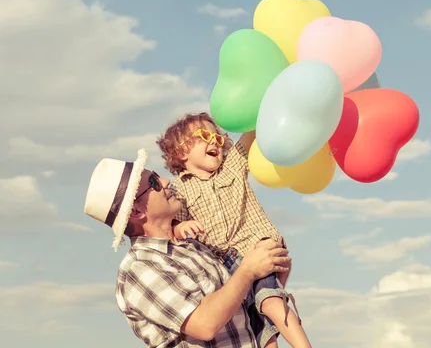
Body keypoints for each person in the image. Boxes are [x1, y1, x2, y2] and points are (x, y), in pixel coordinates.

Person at [83, 148, 291, 347]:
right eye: (153, 182)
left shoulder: (193, 246)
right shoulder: (138, 269)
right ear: (137, 212)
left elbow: (241, 306)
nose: (165, 181)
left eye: (157, 175)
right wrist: (248, 270)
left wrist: (269, 270)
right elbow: (204, 324)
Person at [156, 113, 312, 348]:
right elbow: (170, 227)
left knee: (270, 301)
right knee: (259, 328)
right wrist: (181, 227)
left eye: (219, 139)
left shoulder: (231, 168)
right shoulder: (179, 190)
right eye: (205, 136)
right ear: (181, 152)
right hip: (227, 266)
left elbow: (250, 136)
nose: (215, 142)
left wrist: (262, 108)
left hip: (257, 245)